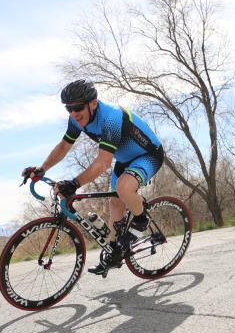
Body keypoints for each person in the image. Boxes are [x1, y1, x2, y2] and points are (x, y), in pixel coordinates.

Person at [21, 79, 164, 275]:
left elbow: (103, 163)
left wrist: (74, 183)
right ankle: (115, 251)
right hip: (125, 160)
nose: (73, 113)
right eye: (68, 109)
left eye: (78, 107)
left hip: (148, 155)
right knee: (115, 202)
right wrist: (42, 169)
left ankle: (141, 220)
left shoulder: (111, 117)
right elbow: (64, 146)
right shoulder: (76, 119)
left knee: (123, 188)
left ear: (93, 103)